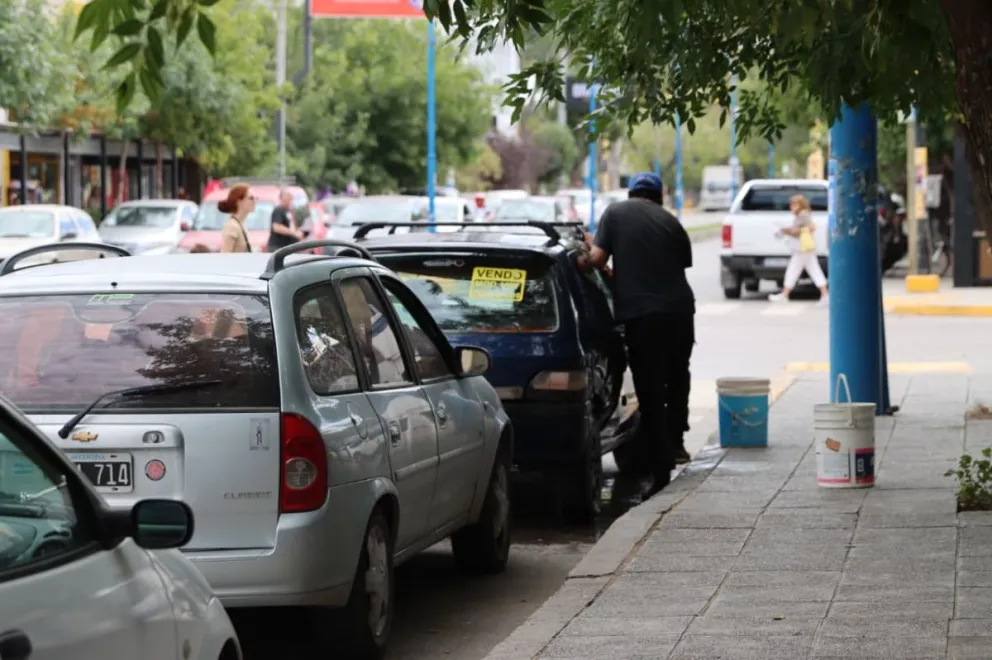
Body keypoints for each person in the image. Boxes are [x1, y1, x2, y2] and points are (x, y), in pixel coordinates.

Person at [577, 172, 695, 495]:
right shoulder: (672, 223)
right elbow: (666, 272)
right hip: (681, 313)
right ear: (659, 197)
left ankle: (661, 473)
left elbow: (594, 261)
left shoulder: (614, 213)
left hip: (643, 319)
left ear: (631, 194)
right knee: (678, 374)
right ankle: (677, 441)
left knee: (651, 390)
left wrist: (583, 254)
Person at [769, 194, 828, 302]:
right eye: (791, 205)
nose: (792, 207)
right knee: (814, 271)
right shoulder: (802, 214)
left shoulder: (802, 215)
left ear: (800, 205)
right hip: (804, 249)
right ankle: (824, 295)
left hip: (802, 249)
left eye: (794, 205)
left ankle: (785, 295)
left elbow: (806, 229)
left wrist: (786, 231)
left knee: (793, 271)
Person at [216, 183, 255, 253]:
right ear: (239, 201)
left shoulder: (241, 223)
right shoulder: (232, 226)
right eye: (251, 198)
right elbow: (225, 256)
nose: (255, 201)